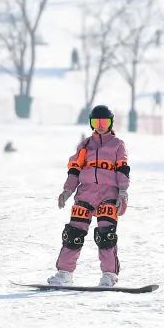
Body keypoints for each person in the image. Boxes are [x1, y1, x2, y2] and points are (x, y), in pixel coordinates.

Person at [48, 105, 130, 287]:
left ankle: (109, 275)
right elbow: (75, 170)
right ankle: (64, 274)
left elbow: (123, 170)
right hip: (85, 192)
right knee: (73, 232)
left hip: (109, 193)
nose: (100, 126)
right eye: (96, 122)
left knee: (105, 235)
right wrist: (68, 190)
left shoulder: (117, 145)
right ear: (91, 123)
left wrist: (123, 192)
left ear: (110, 123)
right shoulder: (85, 145)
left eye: (104, 122)